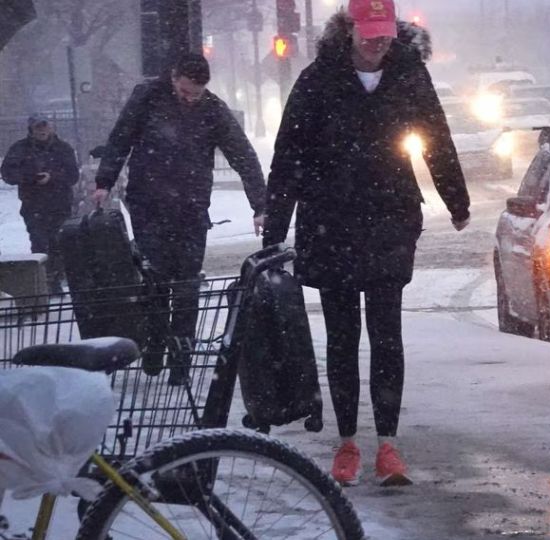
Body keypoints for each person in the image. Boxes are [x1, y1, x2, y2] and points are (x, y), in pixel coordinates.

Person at [262, 0, 470, 487]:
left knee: (386, 333)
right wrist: (275, 228)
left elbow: (437, 137)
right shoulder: (317, 79)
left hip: (389, 218)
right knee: (341, 336)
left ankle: (389, 445)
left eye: (385, 34)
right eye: (369, 33)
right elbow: (288, 154)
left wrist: (456, 201)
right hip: (329, 222)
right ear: (350, 30)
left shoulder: (409, 75)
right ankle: (348, 442)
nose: (378, 43)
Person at [92, 53, 267, 384]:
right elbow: (121, 138)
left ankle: (180, 362)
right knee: (154, 280)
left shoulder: (212, 110)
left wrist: (260, 204)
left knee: (186, 286)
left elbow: (242, 154)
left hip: (190, 208)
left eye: (196, 94)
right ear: (173, 78)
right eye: (185, 92)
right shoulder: (147, 97)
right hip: (148, 205)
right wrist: (104, 182)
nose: (190, 99)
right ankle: (155, 343)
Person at [1, 114, 79, 293]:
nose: (42, 131)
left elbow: (73, 175)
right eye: (38, 127)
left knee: (58, 243)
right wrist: (31, 178)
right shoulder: (20, 149)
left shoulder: (63, 148)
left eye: (45, 127)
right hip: (33, 204)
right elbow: (7, 173)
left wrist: (52, 177)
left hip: (60, 204)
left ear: (51, 128)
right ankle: (44, 280)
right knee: (39, 242)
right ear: (31, 129)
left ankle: (55, 279)